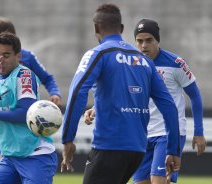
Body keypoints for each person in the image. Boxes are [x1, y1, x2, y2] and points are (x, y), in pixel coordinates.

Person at [60, 4, 181, 184]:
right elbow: (169, 106)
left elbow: (78, 91)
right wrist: (173, 150)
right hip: (137, 151)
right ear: (122, 29)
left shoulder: (98, 54)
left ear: (96, 29)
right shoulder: (145, 61)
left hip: (109, 147)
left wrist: (68, 138)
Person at [84, 19, 207, 184]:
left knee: (159, 181)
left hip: (168, 133)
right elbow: (122, 94)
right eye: (139, 41)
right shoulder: (133, 64)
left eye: (149, 40)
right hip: (141, 135)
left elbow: (195, 95)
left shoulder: (176, 64)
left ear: (158, 40)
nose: (143, 45)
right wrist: (96, 108)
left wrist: (198, 132)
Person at [0, 32, 57, 184]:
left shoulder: (24, 76)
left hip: (35, 155)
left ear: (18, 56)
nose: (0, 60)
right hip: (10, 158)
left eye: (6, 55)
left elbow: (24, 114)